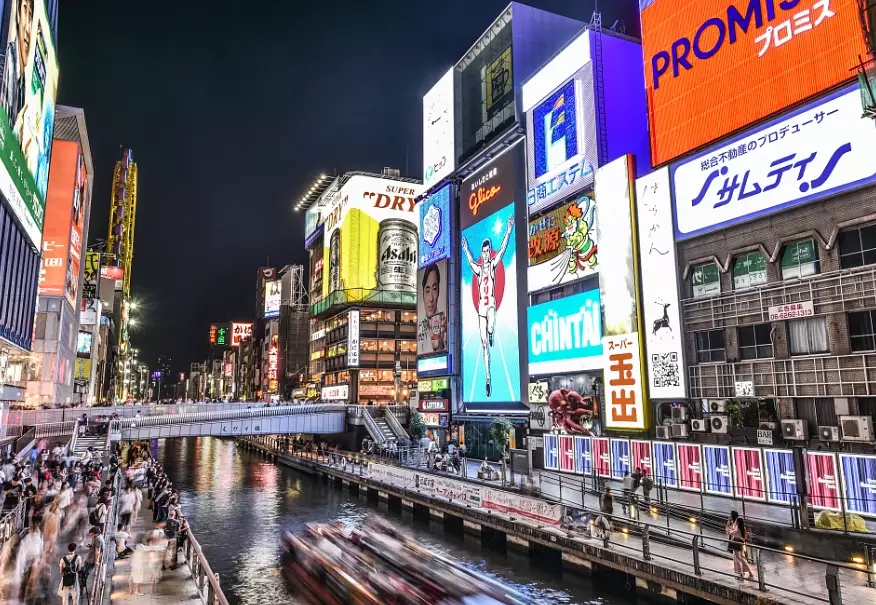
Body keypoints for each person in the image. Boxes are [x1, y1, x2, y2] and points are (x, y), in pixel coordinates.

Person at [461, 214, 514, 397]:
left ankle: (492, 332)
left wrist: (508, 230)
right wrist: (467, 248)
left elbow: (503, 248)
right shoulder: (479, 268)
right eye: (483, 252)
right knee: (483, 344)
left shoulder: (492, 265)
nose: (485, 254)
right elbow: (469, 261)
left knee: (491, 328)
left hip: (491, 304)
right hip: (480, 310)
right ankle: (488, 378)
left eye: (487, 251)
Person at [419, 264, 447, 353]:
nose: (431, 298)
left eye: (434, 289)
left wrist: (439, 347)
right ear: (423, 294)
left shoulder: (444, 326)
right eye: (427, 291)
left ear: (438, 292)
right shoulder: (419, 325)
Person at [726, 510, 755, 580]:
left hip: (736, 542)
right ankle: (750, 573)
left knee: (737, 558)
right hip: (740, 542)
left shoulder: (736, 522)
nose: (729, 516)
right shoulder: (738, 521)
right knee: (742, 558)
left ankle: (741, 574)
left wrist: (730, 530)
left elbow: (734, 531)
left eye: (730, 515)